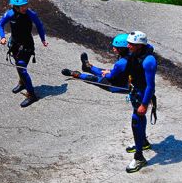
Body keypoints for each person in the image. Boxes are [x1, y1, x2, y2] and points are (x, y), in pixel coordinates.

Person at [104, 31, 157, 173]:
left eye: (131, 44)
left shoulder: (149, 61)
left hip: (142, 95)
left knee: (136, 121)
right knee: (139, 119)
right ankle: (143, 142)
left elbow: (151, 86)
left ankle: (139, 157)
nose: (128, 46)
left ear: (139, 46)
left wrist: (144, 104)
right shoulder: (135, 53)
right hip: (135, 91)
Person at [0, 0, 48, 108]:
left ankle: (32, 95)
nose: (25, 7)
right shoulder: (10, 14)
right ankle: (22, 83)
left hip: (27, 45)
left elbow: (39, 25)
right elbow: (0, 24)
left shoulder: (31, 14)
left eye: (26, 5)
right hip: (15, 44)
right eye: (22, 6)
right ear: (15, 6)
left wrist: (43, 39)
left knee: (21, 67)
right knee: (18, 65)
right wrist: (3, 37)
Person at [61, 33, 130, 94]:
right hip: (126, 80)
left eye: (115, 47)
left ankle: (77, 74)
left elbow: (110, 76)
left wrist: (107, 74)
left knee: (95, 79)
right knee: (105, 71)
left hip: (120, 86)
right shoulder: (133, 55)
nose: (113, 48)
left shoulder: (121, 63)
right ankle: (88, 67)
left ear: (122, 49)